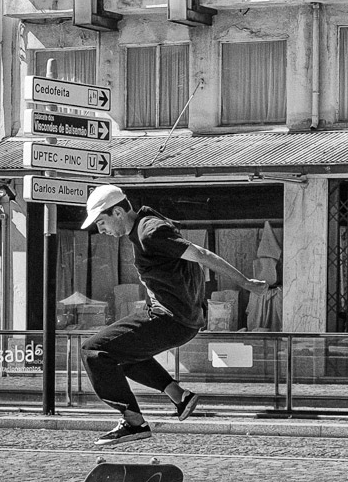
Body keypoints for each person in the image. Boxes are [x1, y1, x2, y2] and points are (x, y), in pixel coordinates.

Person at [79, 185, 267, 446]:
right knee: (123, 354)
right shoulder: (144, 228)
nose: (101, 231)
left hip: (170, 319)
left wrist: (245, 283)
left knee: (94, 350)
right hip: (179, 319)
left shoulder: (150, 231)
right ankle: (180, 396)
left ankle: (133, 423)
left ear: (119, 212)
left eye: (102, 222)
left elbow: (201, 255)